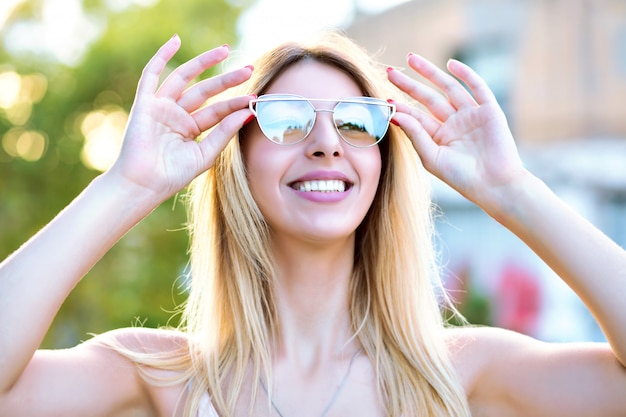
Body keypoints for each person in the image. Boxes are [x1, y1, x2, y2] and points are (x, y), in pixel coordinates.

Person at [0, 30, 625, 417]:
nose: (327, 143)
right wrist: (125, 187)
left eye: (356, 120)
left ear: (382, 161)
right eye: (288, 119)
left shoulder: (462, 376)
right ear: (236, 158)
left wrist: (512, 191)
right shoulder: (159, 377)